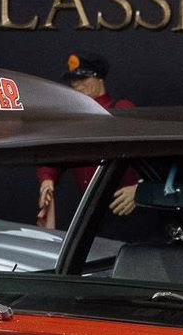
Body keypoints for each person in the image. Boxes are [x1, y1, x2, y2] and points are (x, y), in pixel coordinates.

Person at [38, 52, 141, 227]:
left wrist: (140, 189)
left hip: (123, 205)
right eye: (73, 80)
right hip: (91, 209)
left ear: (99, 79)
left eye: (83, 79)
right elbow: (59, 152)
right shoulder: (75, 118)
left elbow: (151, 154)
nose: (77, 85)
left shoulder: (122, 110)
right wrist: (47, 179)